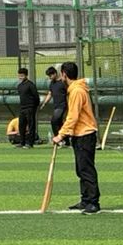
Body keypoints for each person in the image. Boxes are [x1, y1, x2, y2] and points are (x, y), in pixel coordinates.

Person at [53, 61, 100, 214]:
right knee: (81, 169)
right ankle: (86, 199)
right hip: (79, 134)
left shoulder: (77, 91)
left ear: (64, 74)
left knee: (86, 169)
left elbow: (73, 116)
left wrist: (61, 135)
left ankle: (93, 202)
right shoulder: (74, 90)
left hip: (85, 134)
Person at [41, 65, 70, 146]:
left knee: (54, 121)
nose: (50, 77)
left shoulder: (63, 82)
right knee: (60, 123)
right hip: (56, 106)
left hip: (62, 105)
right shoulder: (52, 84)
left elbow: (68, 93)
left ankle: (58, 139)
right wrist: (44, 103)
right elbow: (50, 93)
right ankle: (66, 141)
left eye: (51, 75)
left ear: (55, 73)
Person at [16, 66, 40, 147]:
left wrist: (34, 107)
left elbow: (36, 97)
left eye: (22, 75)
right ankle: (22, 142)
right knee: (21, 125)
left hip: (30, 108)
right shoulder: (19, 86)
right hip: (22, 108)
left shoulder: (30, 85)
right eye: (19, 75)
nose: (20, 77)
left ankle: (30, 143)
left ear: (26, 75)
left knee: (31, 126)